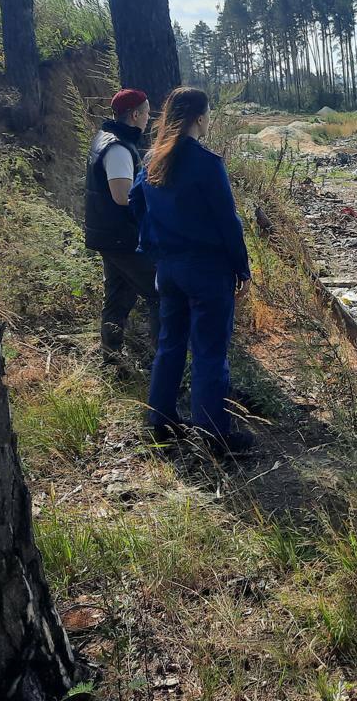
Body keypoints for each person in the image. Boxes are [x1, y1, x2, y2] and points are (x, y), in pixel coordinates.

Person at [131, 87, 254, 455]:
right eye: (208, 114)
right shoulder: (205, 162)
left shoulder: (153, 159)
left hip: (168, 268)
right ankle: (216, 434)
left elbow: (137, 203)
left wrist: (153, 245)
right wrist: (241, 268)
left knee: (170, 344)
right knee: (209, 350)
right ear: (201, 118)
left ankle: (160, 421)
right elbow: (227, 221)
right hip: (205, 269)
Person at [84, 88, 159, 357]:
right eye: (147, 112)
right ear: (135, 114)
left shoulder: (106, 138)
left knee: (118, 295)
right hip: (121, 236)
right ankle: (163, 360)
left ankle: (112, 357)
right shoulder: (116, 147)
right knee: (158, 293)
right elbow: (121, 195)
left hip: (109, 234)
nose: (149, 118)